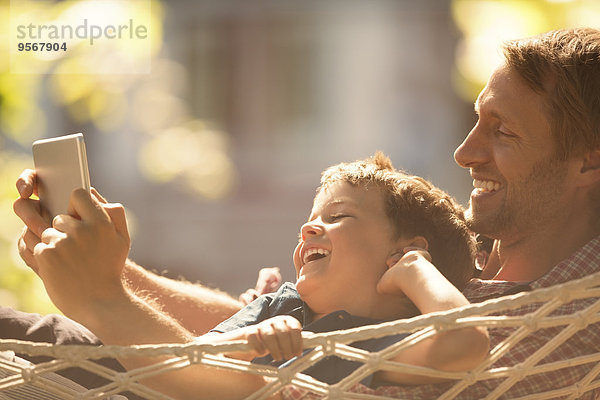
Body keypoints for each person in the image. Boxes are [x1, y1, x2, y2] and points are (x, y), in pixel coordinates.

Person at [6, 26, 600, 398]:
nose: (464, 151)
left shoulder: (569, 326)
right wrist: (103, 270)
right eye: (475, 120)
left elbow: (279, 389)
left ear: (589, 161)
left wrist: (102, 299)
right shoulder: (457, 262)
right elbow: (279, 319)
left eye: (504, 133)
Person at [17, 152, 488, 399]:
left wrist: (414, 270)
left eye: (339, 217)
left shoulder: (379, 349)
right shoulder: (283, 306)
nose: (309, 226)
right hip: (115, 379)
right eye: (312, 217)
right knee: (26, 335)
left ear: (403, 252)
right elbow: (188, 359)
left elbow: (465, 343)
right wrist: (250, 342)